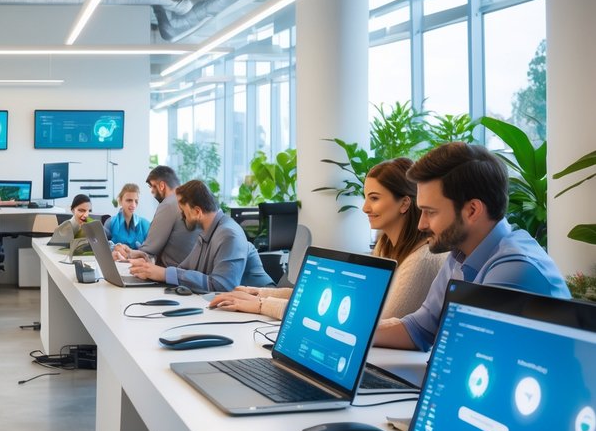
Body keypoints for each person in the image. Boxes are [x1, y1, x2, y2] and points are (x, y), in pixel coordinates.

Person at [373, 142, 569, 351]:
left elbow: (467, 353)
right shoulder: (461, 252)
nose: (421, 224)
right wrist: (345, 333)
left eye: (431, 212)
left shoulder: (516, 270)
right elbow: (420, 329)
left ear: (473, 210)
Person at [210, 158, 447, 319]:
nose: (365, 208)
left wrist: (263, 306)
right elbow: (330, 298)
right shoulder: (386, 247)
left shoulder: (420, 259)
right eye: (365, 198)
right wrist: (258, 293)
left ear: (405, 203)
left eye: (374, 198)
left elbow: (373, 323)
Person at [129, 179, 271, 292]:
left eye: (183, 211)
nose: (181, 216)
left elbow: (222, 286)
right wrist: (149, 266)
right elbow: (184, 270)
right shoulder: (207, 233)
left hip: (264, 317)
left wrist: (164, 274)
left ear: (197, 212)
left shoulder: (229, 234)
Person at [113, 166, 196, 267]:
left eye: (152, 186)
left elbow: (148, 250)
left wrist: (129, 254)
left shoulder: (168, 204)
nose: (152, 191)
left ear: (161, 186)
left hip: (169, 273)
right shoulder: (190, 202)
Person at [104, 183, 150, 249]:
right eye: (129, 200)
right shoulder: (110, 223)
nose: (133, 205)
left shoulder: (145, 224)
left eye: (136, 201)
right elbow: (103, 247)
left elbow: (151, 250)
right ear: (120, 201)